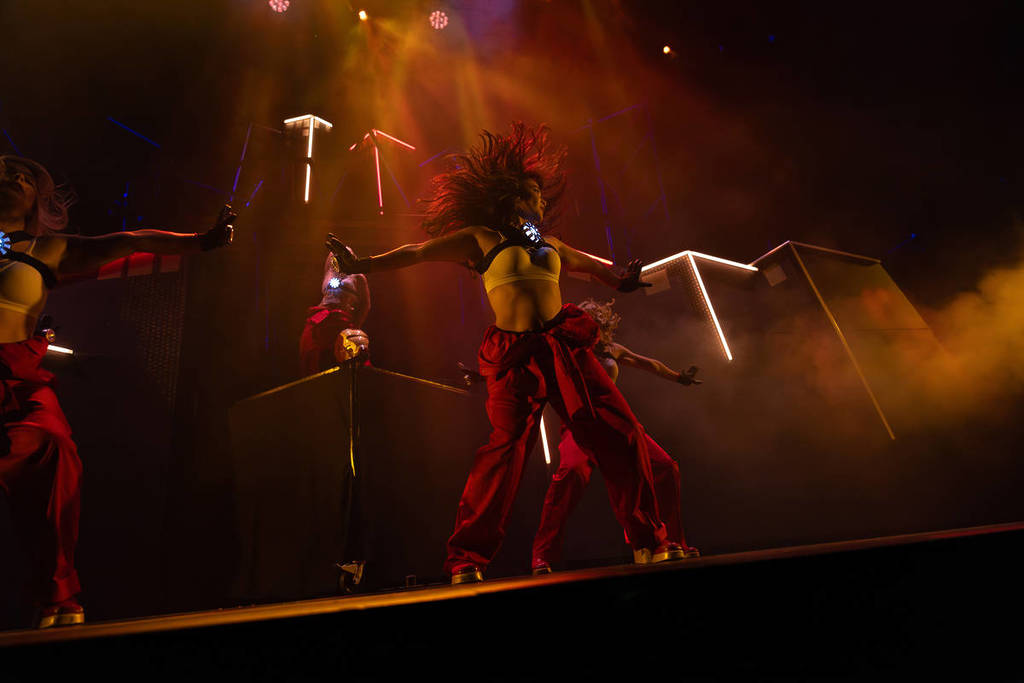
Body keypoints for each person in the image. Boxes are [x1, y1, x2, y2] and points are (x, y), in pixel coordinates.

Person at [327, 123, 685, 584]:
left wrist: (625, 280)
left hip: (564, 348)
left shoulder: (553, 245)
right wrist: (364, 264)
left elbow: (600, 272)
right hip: (515, 357)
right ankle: (466, 560)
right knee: (502, 454)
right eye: (534, 196)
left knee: (622, 433)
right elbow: (417, 252)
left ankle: (648, 542)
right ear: (515, 199)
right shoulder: (482, 239)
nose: (541, 203)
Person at [0, 155, 234, 628]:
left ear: (36, 200)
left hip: (18, 386)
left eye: (25, 176)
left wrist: (201, 241)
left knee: (55, 447)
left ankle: (58, 596)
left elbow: (131, 241)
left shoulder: (49, 250)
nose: (14, 178)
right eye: (5, 171)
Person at [531, 298, 701, 574]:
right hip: (581, 426)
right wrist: (485, 379)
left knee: (666, 468)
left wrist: (678, 377)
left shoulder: (611, 350)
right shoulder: (565, 351)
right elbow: (530, 369)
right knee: (570, 476)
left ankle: (670, 541)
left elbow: (649, 364)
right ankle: (542, 556)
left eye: (592, 322)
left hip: (617, 423)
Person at [299, 253, 370, 375]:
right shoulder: (331, 269)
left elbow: (366, 305)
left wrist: (355, 326)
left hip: (342, 319)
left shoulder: (359, 276)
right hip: (321, 316)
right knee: (311, 352)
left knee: (348, 357)